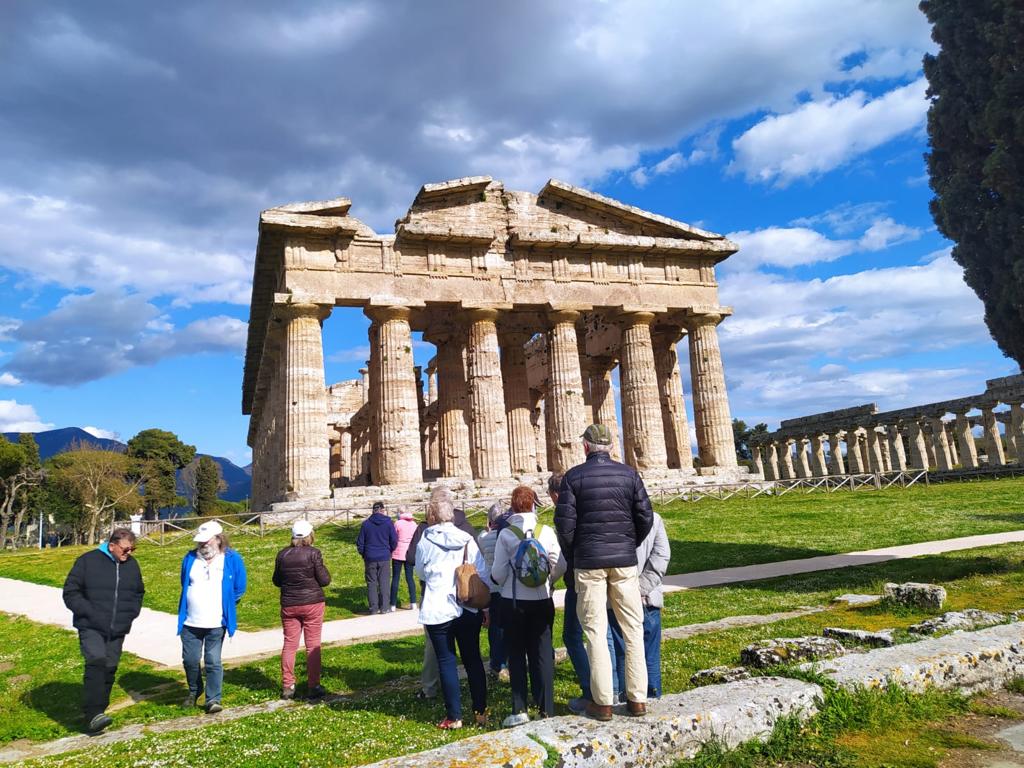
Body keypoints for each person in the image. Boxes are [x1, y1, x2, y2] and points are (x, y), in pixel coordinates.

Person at [554, 423, 654, 721]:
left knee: (595, 631)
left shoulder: (573, 477)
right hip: (624, 561)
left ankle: (603, 702)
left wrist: (577, 552)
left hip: (588, 563)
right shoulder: (629, 474)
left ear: (585, 446)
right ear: (611, 447)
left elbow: (564, 525)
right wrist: (627, 543)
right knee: (633, 627)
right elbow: (645, 516)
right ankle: (637, 699)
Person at [490, 485, 564, 727]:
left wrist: (507, 581)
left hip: (514, 602)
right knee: (542, 653)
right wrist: (548, 580)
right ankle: (547, 708)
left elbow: (498, 572)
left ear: (512, 506)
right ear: (534, 504)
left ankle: (519, 708)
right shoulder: (546, 531)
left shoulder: (507, 534)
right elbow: (560, 564)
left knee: (517, 654)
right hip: (542, 600)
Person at [414, 491, 488, 730]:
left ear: (433, 516)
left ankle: (454, 717)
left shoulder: (425, 539)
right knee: (473, 660)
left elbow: (420, 572)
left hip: (438, 607)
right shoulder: (467, 538)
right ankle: (480, 713)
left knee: (446, 661)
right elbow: (482, 572)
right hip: (466, 605)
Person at [62, 528, 145, 733]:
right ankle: (93, 714)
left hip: (118, 627)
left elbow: (138, 592)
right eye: (126, 549)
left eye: (132, 549)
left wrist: (130, 614)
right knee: (96, 661)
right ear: (112, 546)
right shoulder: (87, 561)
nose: (129, 553)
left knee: (110, 667)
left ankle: (100, 711)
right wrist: (90, 613)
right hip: (91, 625)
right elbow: (71, 592)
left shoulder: (132, 565)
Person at [409, 486, 478, 701]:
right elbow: (478, 562)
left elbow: (413, 561)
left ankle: (431, 688)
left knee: (437, 650)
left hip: (435, 596)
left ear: (432, 510)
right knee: (470, 653)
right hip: (466, 596)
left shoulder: (423, 531)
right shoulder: (466, 527)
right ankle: (478, 704)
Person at [177, 521, 247, 714]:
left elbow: (240, 587)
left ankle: (213, 698)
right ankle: (194, 689)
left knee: (212, 660)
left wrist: (227, 605)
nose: (202, 545)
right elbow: (184, 582)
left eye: (206, 541)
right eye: (200, 542)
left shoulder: (231, 559)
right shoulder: (190, 558)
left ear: (218, 539)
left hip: (216, 621)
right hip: (191, 621)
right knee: (190, 660)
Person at [608, 511, 670, 700]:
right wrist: (642, 587)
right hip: (647, 596)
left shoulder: (611, 518)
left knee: (624, 654)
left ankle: (629, 701)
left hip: (620, 597)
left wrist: (631, 590)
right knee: (649, 655)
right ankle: (651, 699)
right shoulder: (654, 518)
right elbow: (661, 555)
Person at [272, 519, 332, 700]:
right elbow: (324, 580)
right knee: (312, 645)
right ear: (309, 536)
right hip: (312, 602)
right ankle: (313, 685)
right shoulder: (314, 553)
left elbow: (276, 581)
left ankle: (288, 685)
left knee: (290, 645)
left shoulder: (282, 554)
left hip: (290, 603)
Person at [548, 472, 592, 714]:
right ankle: (618, 686)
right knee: (606, 633)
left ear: (555, 494)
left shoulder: (563, 513)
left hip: (578, 579)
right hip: (601, 575)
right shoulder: (588, 505)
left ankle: (590, 690)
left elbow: (565, 548)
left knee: (574, 636)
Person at [477, 502, 508, 681]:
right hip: (506, 586)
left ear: (489, 521)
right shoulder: (507, 535)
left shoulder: (482, 537)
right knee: (508, 625)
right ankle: (509, 660)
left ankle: (497, 663)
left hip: (491, 586)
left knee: (494, 626)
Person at [356, 501, 397, 614]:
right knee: (384, 582)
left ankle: (373, 608)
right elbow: (394, 540)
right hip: (384, 556)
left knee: (371, 583)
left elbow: (360, 543)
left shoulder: (366, 524)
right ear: (383, 510)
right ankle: (384, 607)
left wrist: (364, 554)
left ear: (373, 511)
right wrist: (389, 551)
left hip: (370, 556)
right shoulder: (388, 523)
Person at [389, 506, 418, 611]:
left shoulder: (398, 523)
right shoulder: (414, 524)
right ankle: (413, 602)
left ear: (400, 513)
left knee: (395, 578)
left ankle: (392, 604)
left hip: (398, 552)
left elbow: (393, 537)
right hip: (409, 552)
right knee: (410, 577)